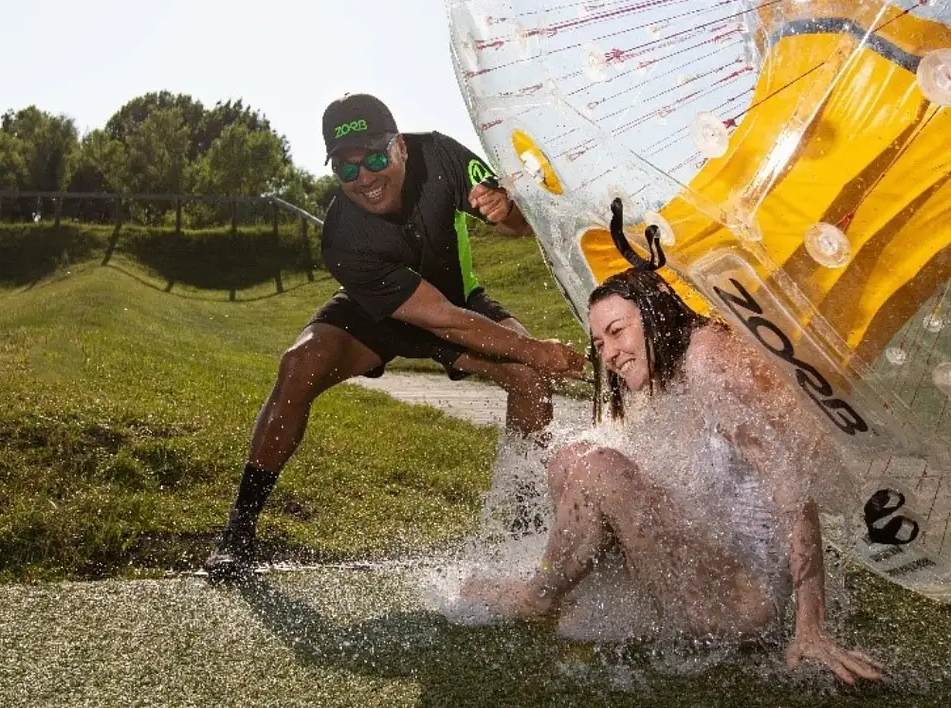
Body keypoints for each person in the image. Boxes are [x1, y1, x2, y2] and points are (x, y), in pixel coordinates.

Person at [204, 93, 587, 578]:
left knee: (529, 377)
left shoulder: (444, 156)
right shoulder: (342, 236)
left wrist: (506, 208)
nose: (364, 178)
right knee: (299, 363)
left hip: (455, 300)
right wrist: (536, 347)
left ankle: (522, 530)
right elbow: (437, 319)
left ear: (400, 147)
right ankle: (239, 530)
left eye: (376, 158)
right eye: (346, 169)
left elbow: (519, 226)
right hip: (385, 315)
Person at [462, 268, 885, 685]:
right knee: (571, 458)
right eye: (598, 342)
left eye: (617, 332)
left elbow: (794, 488)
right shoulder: (672, 365)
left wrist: (811, 627)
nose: (608, 354)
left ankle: (540, 598)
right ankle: (576, 597)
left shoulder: (710, 363)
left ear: (654, 314)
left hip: (744, 600)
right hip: (702, 566)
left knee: (599, 468)